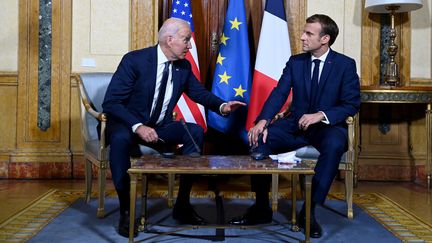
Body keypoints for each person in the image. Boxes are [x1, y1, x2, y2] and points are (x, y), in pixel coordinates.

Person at [102, 17, 245, 238]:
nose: (189, 45)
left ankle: (182, 205)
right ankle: (126, 210)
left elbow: (198, 93)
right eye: (186, 40)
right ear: (170, 40)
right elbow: (111, 103)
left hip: (160, 126)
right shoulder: (135, 61)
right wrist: (138, 126)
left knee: (195, 131)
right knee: (120, 140)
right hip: (127, 124)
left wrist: (223, 106)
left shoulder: (183, 66)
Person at [228, 14, 360, 239]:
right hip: (294, 126)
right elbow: (279, 93)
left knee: (335, 144)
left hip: (326, 128)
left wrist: (321, 115)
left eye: (309, 33)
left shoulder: (344, 65)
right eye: (304, 32)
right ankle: (261, 208)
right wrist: (263, 120)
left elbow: (351, 103)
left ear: (325, 38)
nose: (302, 37)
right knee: (260, 139)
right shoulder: (296, 62)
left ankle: (309, 212)